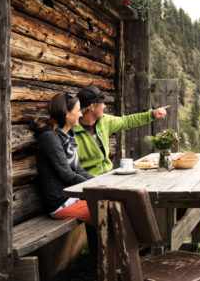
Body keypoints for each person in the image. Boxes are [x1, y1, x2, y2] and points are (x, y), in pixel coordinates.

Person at [74, 85, 169, 176]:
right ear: (92, 107)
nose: (104, 106)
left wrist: (152, 114)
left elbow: (126, 121)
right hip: (87, 182)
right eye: (101, 103)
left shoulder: (104, 121)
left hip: (107, 176)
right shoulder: (72, 132)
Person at [36, 93, 94, 225]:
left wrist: (101, 182)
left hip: (73, 198)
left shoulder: (69, 139)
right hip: (61, 203)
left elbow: (79, 170)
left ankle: (100, 245)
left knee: (113, 206)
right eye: (78, 110)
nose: (81, 114)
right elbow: (67, 175)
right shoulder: (50, 138)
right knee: (110, 210)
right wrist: (96, 188)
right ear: (66, 113)